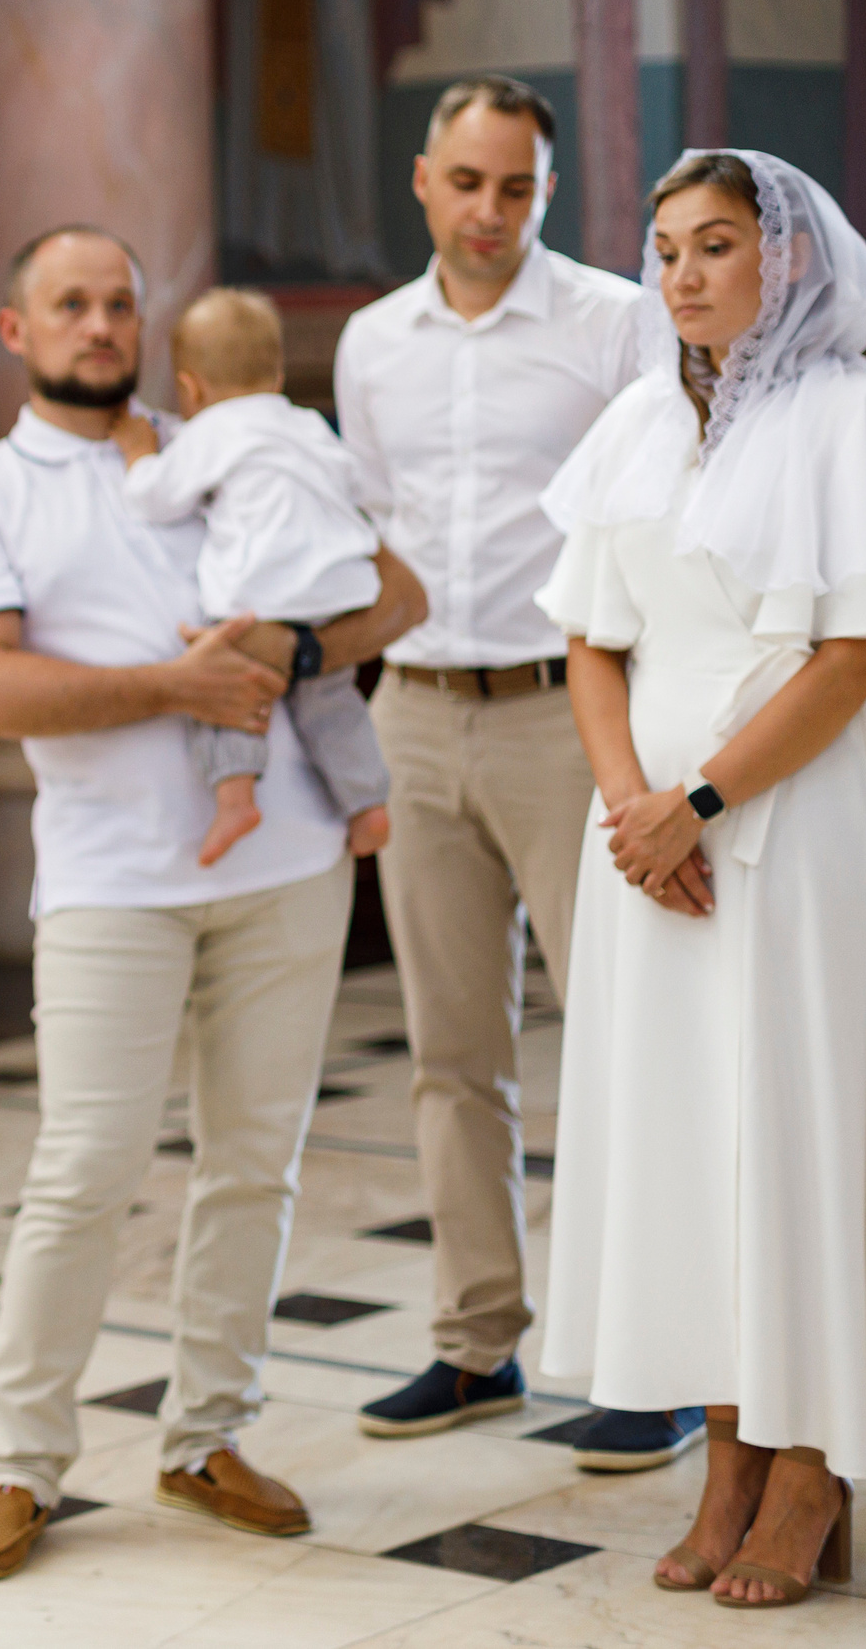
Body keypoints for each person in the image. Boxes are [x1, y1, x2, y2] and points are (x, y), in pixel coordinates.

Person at [0, 225, 426, 1581]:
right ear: (15, 330)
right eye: (69, 303)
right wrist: (174, 687)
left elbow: (399, 595)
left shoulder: (241, 440)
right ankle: (20, 1463)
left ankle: (207, 1436)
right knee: (82, 1173)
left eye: (121, 302)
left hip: (289, 865)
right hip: (111, 886)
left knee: (256, 1164)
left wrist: (285, 647)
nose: (101, 323)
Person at [538, 148, 866, 1608]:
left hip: (789, 838)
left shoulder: (860, 418)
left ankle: (808, 1468)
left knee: (790, 1130)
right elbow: (592, 640)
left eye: (714, 245)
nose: (681, 274)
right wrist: (632, 812)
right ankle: (724, 1441)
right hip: (646, 854)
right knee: (678, 1140)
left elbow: (856, 654)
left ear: (783, 258)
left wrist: (703, 799)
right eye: (664, 249)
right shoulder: (637, 426)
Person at [331, 75, 675, 1466]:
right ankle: (476, 1344)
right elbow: (369, 532)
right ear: (424, 181)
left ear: (549, 190)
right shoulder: (369, 344)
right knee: (448, 1054)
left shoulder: (613, 323)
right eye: (467, 183)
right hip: (412, 716)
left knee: (620, 1043)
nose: (489, 212)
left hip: (566, 716)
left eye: (516, 187)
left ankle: (648, 1360)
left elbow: (661, 524)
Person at [111, 288, 390, 865]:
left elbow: (153, 497)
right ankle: (367, 805)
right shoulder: (307, 423)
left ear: (189, 389)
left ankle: (235, 796)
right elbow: (354, 485)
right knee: (332, 702)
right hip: (338, 587)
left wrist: (139, 452)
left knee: (228, 687)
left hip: (262, 591)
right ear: (278, 371)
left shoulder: (213, 431)